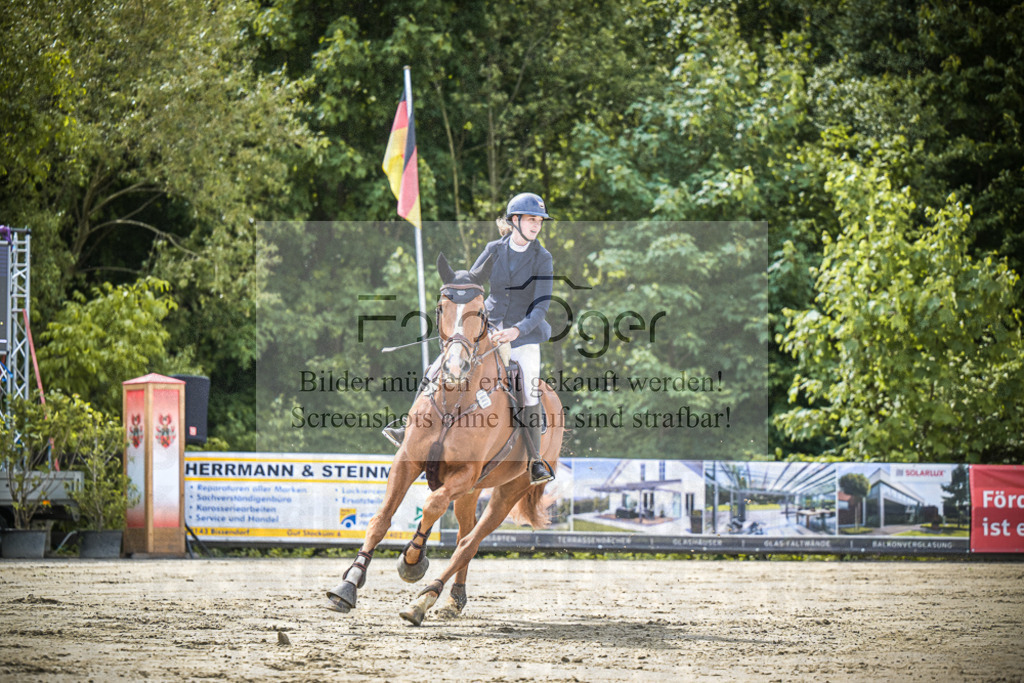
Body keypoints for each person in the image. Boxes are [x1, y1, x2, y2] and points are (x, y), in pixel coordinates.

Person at [383, 192, 556, 485]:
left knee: (528, 386)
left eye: (539, 220)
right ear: (515, 221)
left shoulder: (543, 258)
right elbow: (472, 282)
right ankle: (407, 429)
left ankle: (535, 460)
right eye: (530, 219)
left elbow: (542, 306)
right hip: (486, 326)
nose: (536, 225)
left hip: (524, 335)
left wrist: (517, 331)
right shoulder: (494, 249)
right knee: (437, 366)